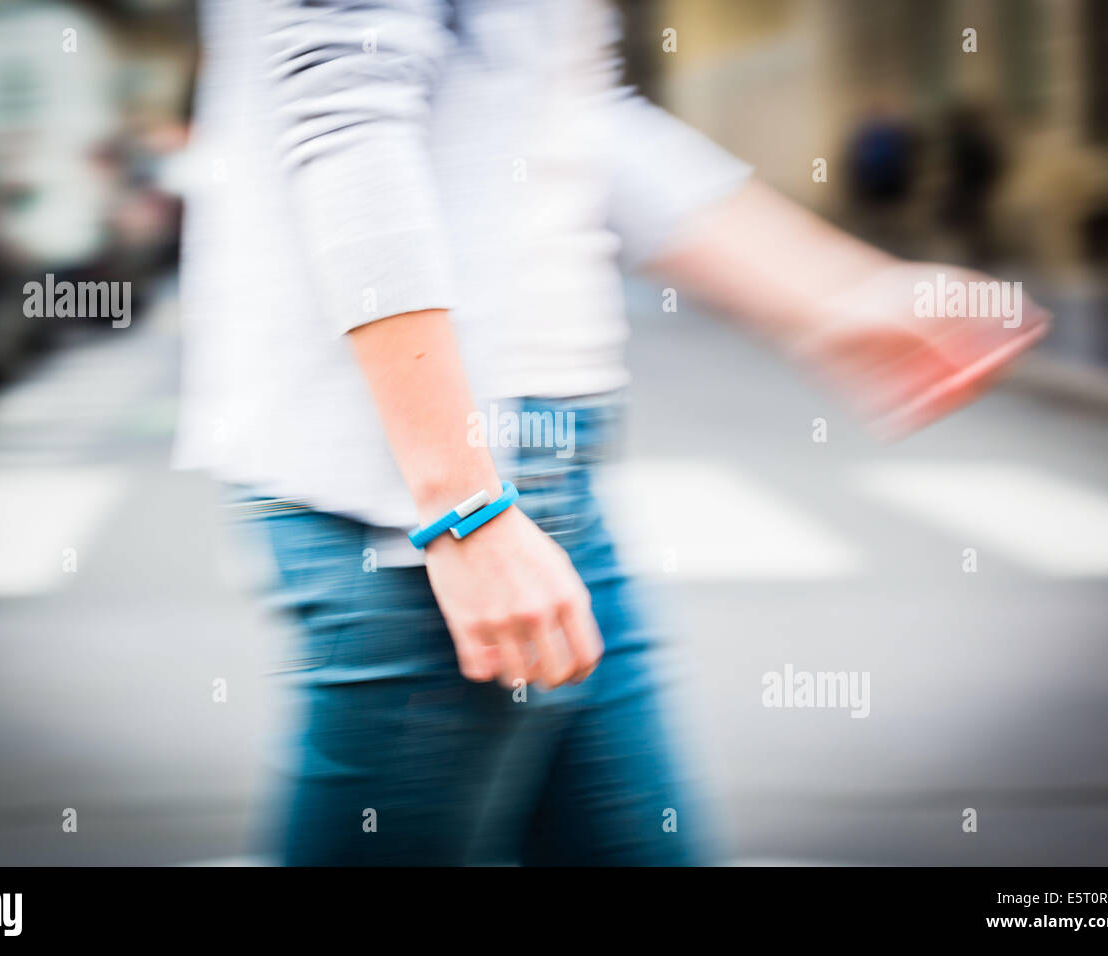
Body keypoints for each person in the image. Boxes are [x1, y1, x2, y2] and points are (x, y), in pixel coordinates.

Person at [174, 0, 1049, 865]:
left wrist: (832, 292)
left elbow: (562, 114)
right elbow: (345, 108)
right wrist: (460, 509)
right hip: (424, 494)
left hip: (526, 477)